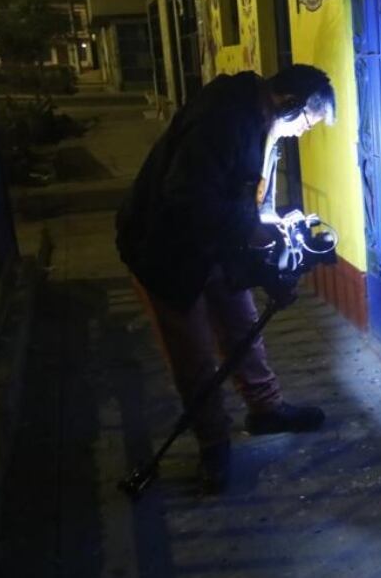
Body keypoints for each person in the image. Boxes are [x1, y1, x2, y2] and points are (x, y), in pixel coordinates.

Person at [116, 64, 336, 493]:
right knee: (194, 354)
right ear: (289, 104)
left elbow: (241, 199)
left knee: (241, 322)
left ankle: (266, 408)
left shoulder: (258, 120)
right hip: (163, 249)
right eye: (307, 124)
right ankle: (213, 444)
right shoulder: (224, 117)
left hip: (211, 243)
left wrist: (265, 230)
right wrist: (252, 234)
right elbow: (188, 198)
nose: (301, 134)